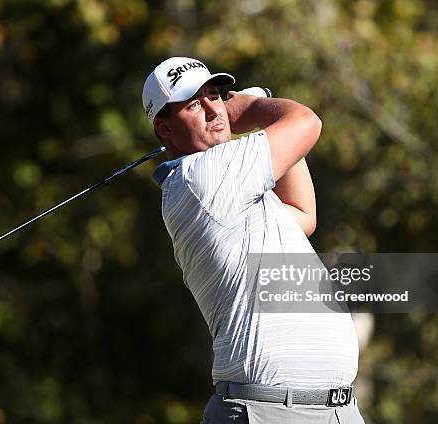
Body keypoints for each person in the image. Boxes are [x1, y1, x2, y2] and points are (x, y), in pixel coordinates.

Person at [143, 57, 364, 423]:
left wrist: (261, 123)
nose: (213, 109)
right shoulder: (202, 177)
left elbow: (301, 214)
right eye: (194, 104)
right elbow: (306, 123)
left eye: (214, 95)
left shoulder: (229, 187)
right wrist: (253, 108)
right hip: (267, 411)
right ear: (164, 130)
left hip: (333, 411)